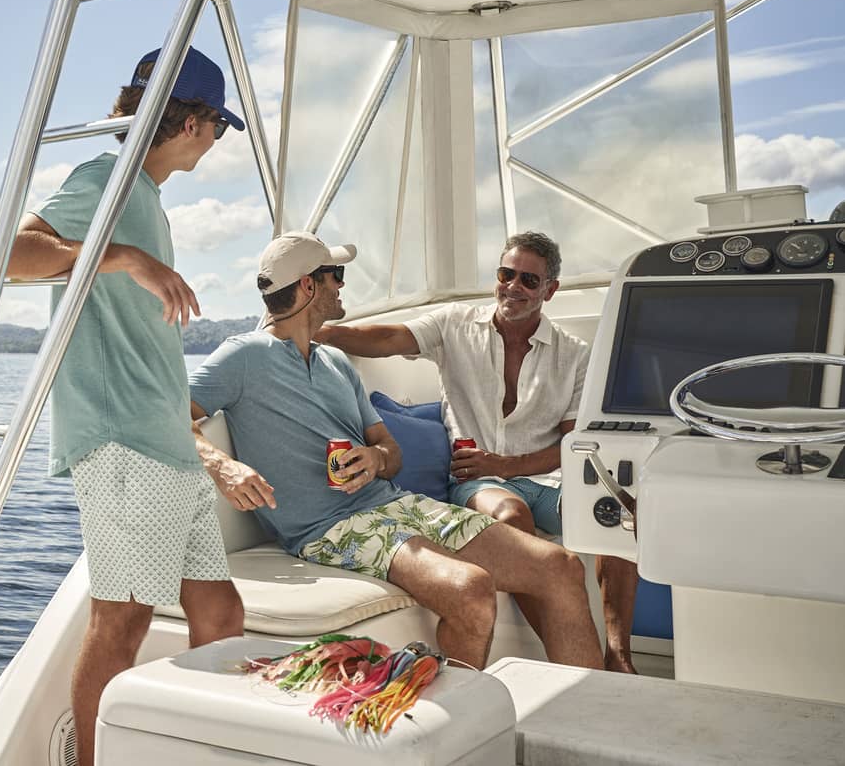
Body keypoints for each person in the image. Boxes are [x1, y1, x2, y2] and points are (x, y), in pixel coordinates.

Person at [189, 231, 603, 672]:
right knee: (471, 589)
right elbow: (169, 415)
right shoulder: (244, 356)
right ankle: (457, 733)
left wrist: (376, 459)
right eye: (336, 276)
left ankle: (593, 716)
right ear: (309, 286)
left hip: (395, 503)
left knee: (560, 567)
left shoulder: (335, 363)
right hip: (328, 527)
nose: (342, 286)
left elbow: (390, 450)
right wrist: (222, 465)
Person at [5, 46, 247, 766]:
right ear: (196, 122)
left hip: (164, 442)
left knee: (220, 611)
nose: (217, 141)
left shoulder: (144, 195)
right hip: (123, 443)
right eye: (220, 127)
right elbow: (16, 255)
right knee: (122, 617)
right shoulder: (107, 179)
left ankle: (210, 747)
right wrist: (123, 257)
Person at [317, 231, 640, 673]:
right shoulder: (454, 324)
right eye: (507, 274)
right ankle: (566, 656)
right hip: (477, 482)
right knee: (509, 515)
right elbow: (384, 338)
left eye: (529, 280)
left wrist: (505, 464)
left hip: (547, 477)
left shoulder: (576, 355)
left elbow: (571, 446)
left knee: (615, 519)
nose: (514, 287)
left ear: (550, 290)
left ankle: (619, 654)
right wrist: (314, 331)